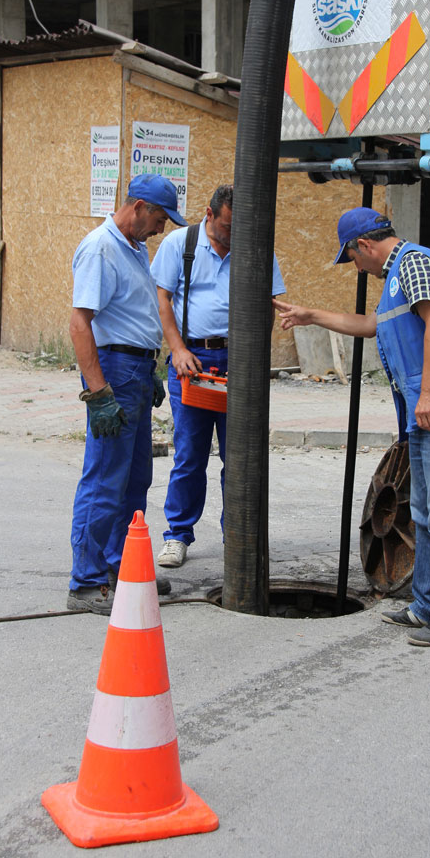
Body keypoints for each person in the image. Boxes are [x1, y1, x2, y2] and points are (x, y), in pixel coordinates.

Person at [274, 207, 430, 647]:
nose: (357, 268)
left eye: (353, 259)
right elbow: (371, 326)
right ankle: (427, 606)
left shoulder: (416, 262)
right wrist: (312, 315)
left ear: (364, 245)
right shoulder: (397, 278)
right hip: (425, 412)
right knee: (424, 514)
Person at [67, 174, 185, 615]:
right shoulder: (100, 248)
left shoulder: (134, 248)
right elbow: (81, 324)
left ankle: (122, 567)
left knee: (135, 477)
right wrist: (99, 393)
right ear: (137, 207)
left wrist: (151, 368)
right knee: (104, 479)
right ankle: (86, 581)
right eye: (158, 218)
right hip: (113, 369)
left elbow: (135, 312)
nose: (161, 228)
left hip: (134, 367)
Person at [151, 183, 286, 568]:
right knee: (190, 454)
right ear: (209, 215)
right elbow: (162, 299)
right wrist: (177, 349)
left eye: (239, 228)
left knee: (239, 456)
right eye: (227, 227)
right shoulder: (181, 244)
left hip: (239, 361)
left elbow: (270, 304)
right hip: (192, 361)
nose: (233, 236)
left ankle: (238, 535)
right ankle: (177, 534)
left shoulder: (255, 246)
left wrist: (256, 357)